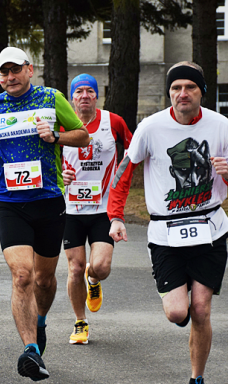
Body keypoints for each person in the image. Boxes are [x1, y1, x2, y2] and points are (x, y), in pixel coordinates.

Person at [108, 61, 228, 384]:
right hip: (166, 234)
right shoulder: (151, 127)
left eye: (189, 87)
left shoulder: (220, 127)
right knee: (178, 313)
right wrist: (115, 216)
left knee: (201, 310)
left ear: (201, 91)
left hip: (210, 228)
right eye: (176, 88)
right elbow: (124, 173)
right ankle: (181, 306)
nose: (182, 94)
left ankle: (197, 383)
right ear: (169, 93)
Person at [0, 47, 89, 381]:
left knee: (44, 279)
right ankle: (30, 351)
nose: (9, 78)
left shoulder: (51, 98)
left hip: (49, 200)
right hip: (10, 202)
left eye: (15, 71)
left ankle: (40, 322)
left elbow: (82, 135)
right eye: (3, 73)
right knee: (22, 275)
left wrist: (55, 136)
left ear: (29, 69)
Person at [60, 74, 134, 345]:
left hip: (103, 208)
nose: (84, 96)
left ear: (96, 96)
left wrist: (120, 179)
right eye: (78, 92)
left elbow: (134, 150)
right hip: (71, 209)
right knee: (74, 268)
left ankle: (94, 279)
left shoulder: (113, 122)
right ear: (72, 98)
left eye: (89, 91)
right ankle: (80, 323)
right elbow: (49, 160)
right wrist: (60, 176)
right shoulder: (63, 123)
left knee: (100, 268)